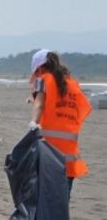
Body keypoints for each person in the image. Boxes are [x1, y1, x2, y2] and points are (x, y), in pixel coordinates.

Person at [29, 49, 91, 197]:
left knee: (45, 204)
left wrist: (33, 123)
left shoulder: (43, 80)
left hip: (48, 155)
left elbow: (40, 105)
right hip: (69, 159)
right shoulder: (72, 85)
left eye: (36, 72)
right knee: (61, 207)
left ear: (41, 68)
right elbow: (60, 106)